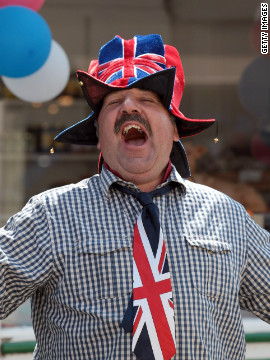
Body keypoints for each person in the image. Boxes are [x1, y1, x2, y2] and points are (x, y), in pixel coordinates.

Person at [0, 34, 269, 360]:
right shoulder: (49, 217)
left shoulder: (228, 218)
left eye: (147, 100)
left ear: (173, 129)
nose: (129, 106)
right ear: (99, 134)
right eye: (114, 102)